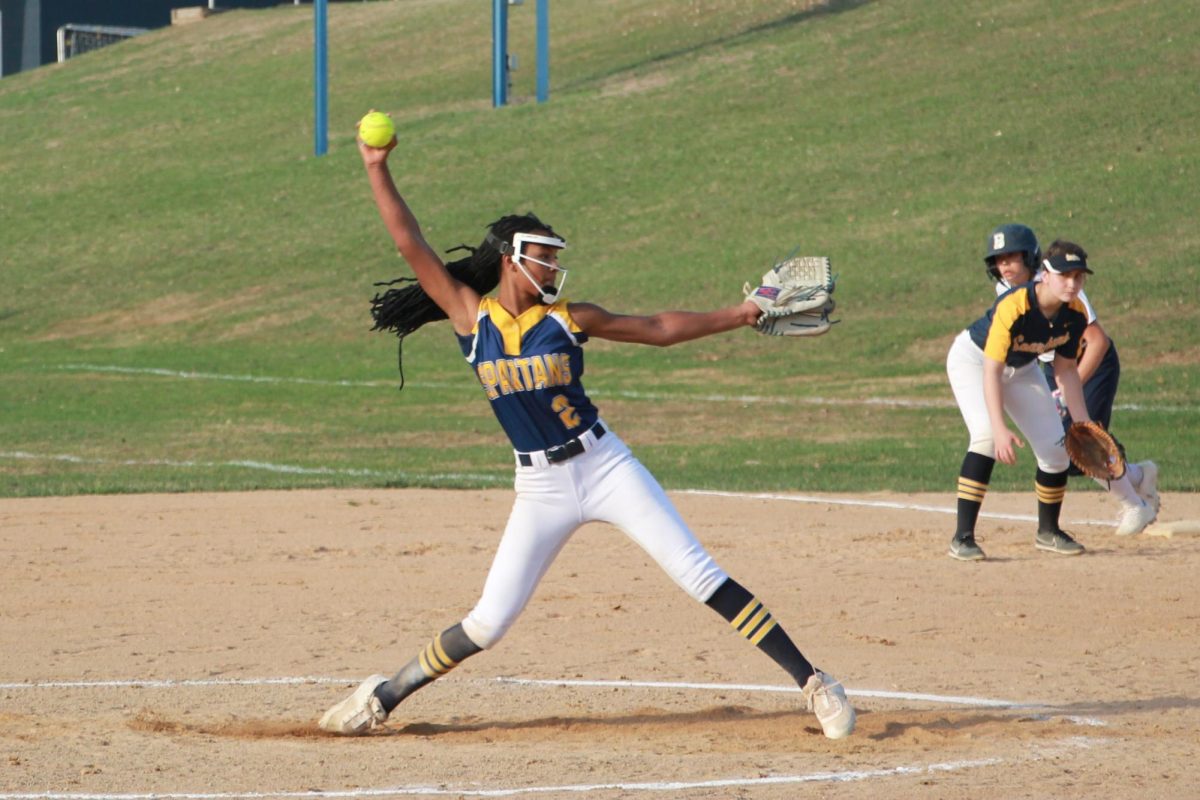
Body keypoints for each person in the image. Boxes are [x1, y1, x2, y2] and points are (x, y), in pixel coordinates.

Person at [317, 128, 856, 739]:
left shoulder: (569, 319)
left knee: (700, 575)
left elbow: (655, 327)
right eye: (543, 254)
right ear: (509, 259)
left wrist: (738, 313)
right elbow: (408, 240)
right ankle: (384, 695)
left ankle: (815, 684)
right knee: (489, 623)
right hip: (540, 487)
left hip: (605, 467)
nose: (553, 265)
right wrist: (375, 166)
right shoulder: (472, 318)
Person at [984, 227, 1158, 536]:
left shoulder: (1060, 282)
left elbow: (1097, 341)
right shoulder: (1006, 292)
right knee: (1068, 450)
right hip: (1053, 367)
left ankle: (1135, 504)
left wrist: (1065, 394)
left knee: (1080, 441)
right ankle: (1138, 475)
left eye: (1012, 256)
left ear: (1031, 258)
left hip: (1090, 363)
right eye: (999, 259)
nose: (1005, 265)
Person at [944, 225, 1097, 561]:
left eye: (1078, 277)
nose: (1072, 283)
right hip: (975, 361)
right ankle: (963, 537)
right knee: (984, 437)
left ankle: (1048, 531)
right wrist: (999, 428)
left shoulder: (1075, 314)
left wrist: (1083, 422)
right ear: (1044, 274)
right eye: (1064, 275)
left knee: (1057, 451)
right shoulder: (1014, 306)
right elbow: (992, 370)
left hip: (1022, 368)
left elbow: (1066, 369)